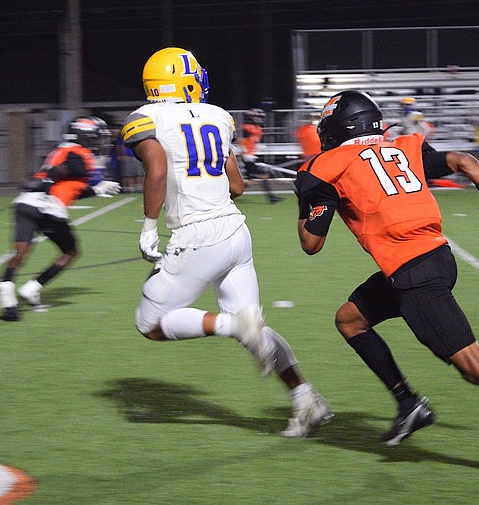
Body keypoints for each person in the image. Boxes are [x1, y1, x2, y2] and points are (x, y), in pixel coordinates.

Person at [294, 90, 479, 486]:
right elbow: (464, 162)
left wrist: (314, 206)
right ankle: (409, 404)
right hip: (434, 258)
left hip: (414, 274)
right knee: (350, 320)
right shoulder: (403, 145)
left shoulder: (326, 166)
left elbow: (311, 244)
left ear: (337, 127)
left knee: (474, 366)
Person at [120, 46, 331, 437]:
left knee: (149, 323)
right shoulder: (218, 116)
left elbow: (158, 168)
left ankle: (233, 325)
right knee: (258, 332)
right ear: (182, 81)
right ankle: (306, 400)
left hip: (196, 237)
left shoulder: (145, 118)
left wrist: (149, 226)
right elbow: (237, 184)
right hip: (236, 232)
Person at [0, 116, 121, 322]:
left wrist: (96, 189)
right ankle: (33, 288)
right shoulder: (80, 154)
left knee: (20, 253)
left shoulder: (60, 150)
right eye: (97, 138)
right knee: (71, 251)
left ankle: (7, 290)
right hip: (48, 208)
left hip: (25, 203)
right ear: (85, 137)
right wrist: (49, 179)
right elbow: (65, 172)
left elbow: (70, 187)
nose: (99, 142)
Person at [238, 108, 282, 204]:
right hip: (248, 157)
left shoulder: (256, 128)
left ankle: (229, 194)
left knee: (249, 181)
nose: (260, 119)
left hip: (251, 156)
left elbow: (252, 141)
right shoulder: (248, 128)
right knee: (263, 175)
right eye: (258, 117)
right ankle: (271, 198)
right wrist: (245, 151)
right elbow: (240, 140)